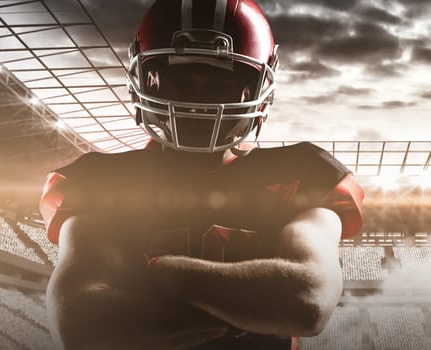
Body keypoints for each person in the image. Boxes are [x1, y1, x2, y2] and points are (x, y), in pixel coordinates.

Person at [38, 0, 365, 349]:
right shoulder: (99, 178)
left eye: (221, 84)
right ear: (145, 80)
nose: (197, 102)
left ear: (258, 88)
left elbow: (306, 300)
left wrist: (160, 272)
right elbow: (80, 324)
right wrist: (252, 306)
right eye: (179, 80)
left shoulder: (303, 171)